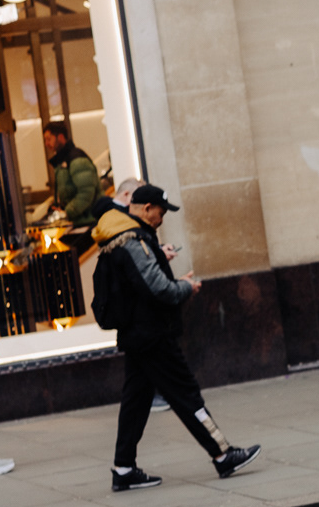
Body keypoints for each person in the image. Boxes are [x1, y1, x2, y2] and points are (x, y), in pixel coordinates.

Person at [92, 183, 261, 490]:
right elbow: (159, 289)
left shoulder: (119, 235)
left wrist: (159, 258)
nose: (161, 219)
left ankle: (124, 468)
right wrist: (186, 287)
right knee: (185, 394)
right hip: (153, 335)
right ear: (146, 209)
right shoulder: (133, 240)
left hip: (137, 334)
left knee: (135, 402)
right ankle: (223, 454)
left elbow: (138, 280)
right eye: (160, 212)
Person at [95, 177, 172, 413]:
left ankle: (157, 397)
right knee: (182, 391)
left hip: (136, 317)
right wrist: (183, 288)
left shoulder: (119, 223)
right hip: (138, 315)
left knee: (135, 389)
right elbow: (136, 263)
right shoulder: (120, 222)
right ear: (128, 197)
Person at [43, 122, 103, 226]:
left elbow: (86, 193)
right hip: (78, 221)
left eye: (49, 139)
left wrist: (67, 212)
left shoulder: (76, 160)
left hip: (89, 221)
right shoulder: (62, 162)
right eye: (45, 140)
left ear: (60, 137)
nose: (47, 143)